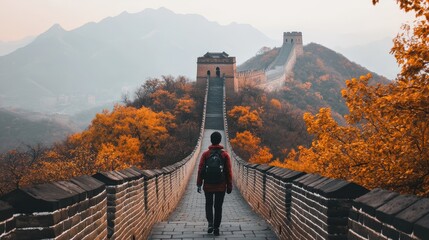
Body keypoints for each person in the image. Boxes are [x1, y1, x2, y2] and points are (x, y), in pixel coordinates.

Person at [197, 131, 233, 236]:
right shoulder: (225, 154)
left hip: (208, 185)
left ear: (211, 140)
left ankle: (210, 224)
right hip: (221, 186)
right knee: (218, 206)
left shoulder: (205, 154)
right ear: (220, 140)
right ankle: (217, 227)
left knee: (208, 204)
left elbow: (200, 170)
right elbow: (228, 171)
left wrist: (199, 183)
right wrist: (229, 186)